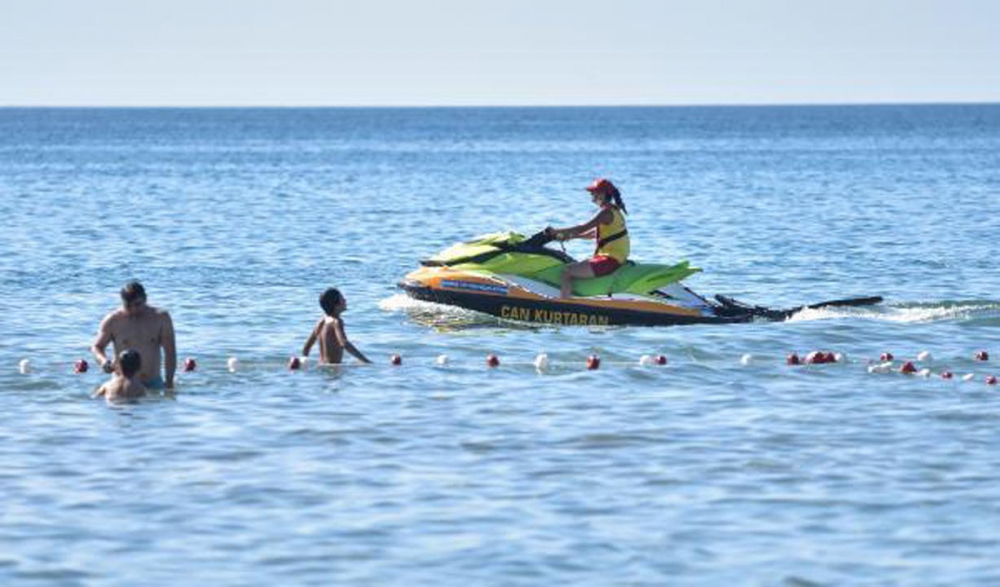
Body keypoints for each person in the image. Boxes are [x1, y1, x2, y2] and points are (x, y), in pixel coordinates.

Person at [546, 178, 631, 298]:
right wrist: (572, 236)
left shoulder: (606, 213)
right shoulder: (615, 210)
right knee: (575, 265)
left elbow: (582, 227)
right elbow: (594, 234)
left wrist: (555, 231)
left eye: (594, 192)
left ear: (602, 194)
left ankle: (564, 306)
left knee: (567, 271)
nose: (591, 195)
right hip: (615, 258)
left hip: (610, 260)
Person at [91, 280, 177, 389]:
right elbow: (97, 347)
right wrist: (103, 362)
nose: (134, 309)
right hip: (122, 384)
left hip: (152, 382)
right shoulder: (113, 320)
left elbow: (170, 353)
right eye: (128, 306)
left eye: (138, 304)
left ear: (145, 299)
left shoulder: (161, 318)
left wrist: (169, 382)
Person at [302, 288, 372, 365]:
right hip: (334, 370)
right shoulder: (336, 322)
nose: (345, 300)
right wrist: (365, 361)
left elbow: (306, 348)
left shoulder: (321, 322)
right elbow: (344, 343)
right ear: (335, 305)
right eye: (342, 299)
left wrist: (303, 360)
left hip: (321, 365)